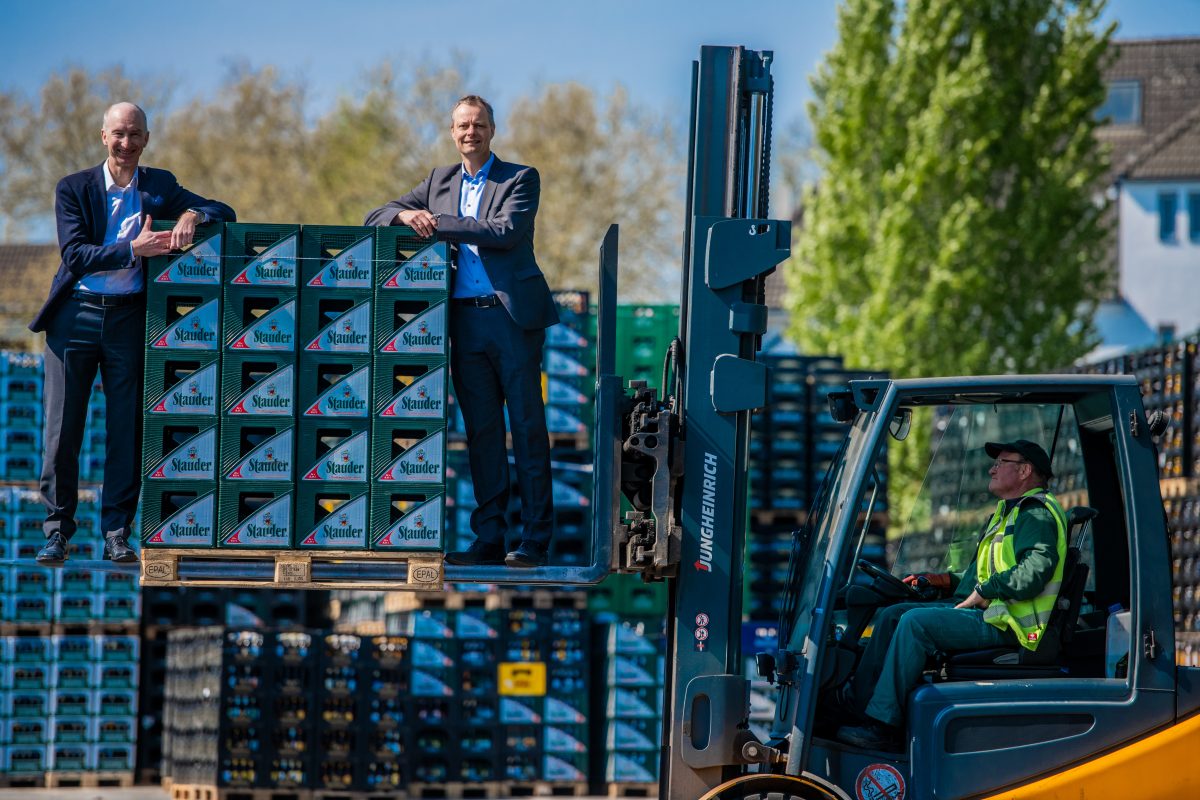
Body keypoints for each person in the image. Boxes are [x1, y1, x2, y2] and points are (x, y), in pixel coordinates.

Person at [31, 102, 236, 565]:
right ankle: (57, 531)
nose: (127, 143)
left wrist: (193, 217)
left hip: (129, 320)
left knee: (126, 429)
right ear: (103, 136)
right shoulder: (73, 188)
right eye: (119, 134)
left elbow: (225, 209)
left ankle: (117, 532)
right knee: (63, 431)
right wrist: (133, 249)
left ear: (147, 139)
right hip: (75, 318)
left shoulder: (160, 185)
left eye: (135, 135)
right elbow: (76, 254)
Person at [365, 95, 559, 568]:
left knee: (528, 430)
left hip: (510, 319)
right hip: (464, 321)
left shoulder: (519, 177)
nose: (469, 132)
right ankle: (489, 538)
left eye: (478, 124)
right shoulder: (438, 182)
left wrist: (435, 224)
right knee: (482, 433)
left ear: (492, 130)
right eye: (461, 125)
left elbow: (503, 231)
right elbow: (375, 215)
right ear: (452, 133)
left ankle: (534, 539)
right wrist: (404, 215)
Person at [836, 439, 1068, 750]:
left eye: (1002, 462)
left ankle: (882, 726)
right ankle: (855, 705)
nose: (992, 468)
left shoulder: (1034, 514)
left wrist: (987, 590)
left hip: (1011, 625)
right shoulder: (1007, 512)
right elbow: (984, 573)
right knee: (895, 614)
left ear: (1025, 470)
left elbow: (1036, 569)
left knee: (916, 624)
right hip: (993, 614)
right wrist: (943, 580)